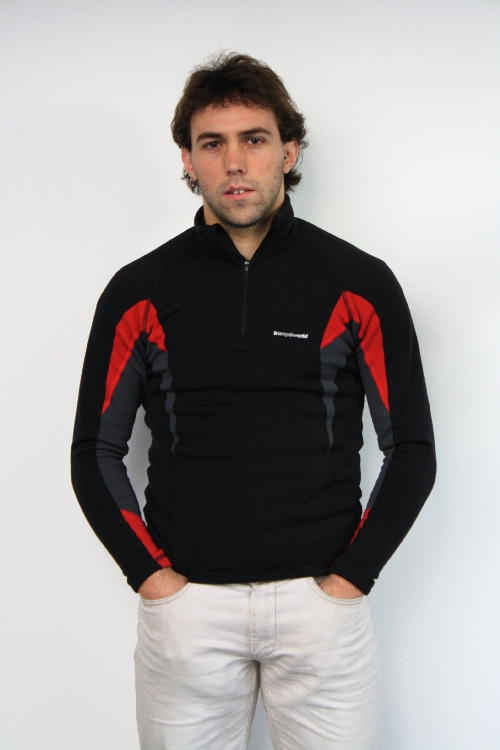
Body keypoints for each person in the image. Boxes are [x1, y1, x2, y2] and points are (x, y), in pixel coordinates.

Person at [71, 52, 436, 750]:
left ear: (289, 151)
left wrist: (350, 580)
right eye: (212, 143)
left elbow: (411, 447)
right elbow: (95, 450)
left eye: (255, 139)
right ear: (188, 160)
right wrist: (151, 579)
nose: (234, 162)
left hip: (321, 608)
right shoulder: (139, 291)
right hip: (187, 612)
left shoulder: (358, 283)